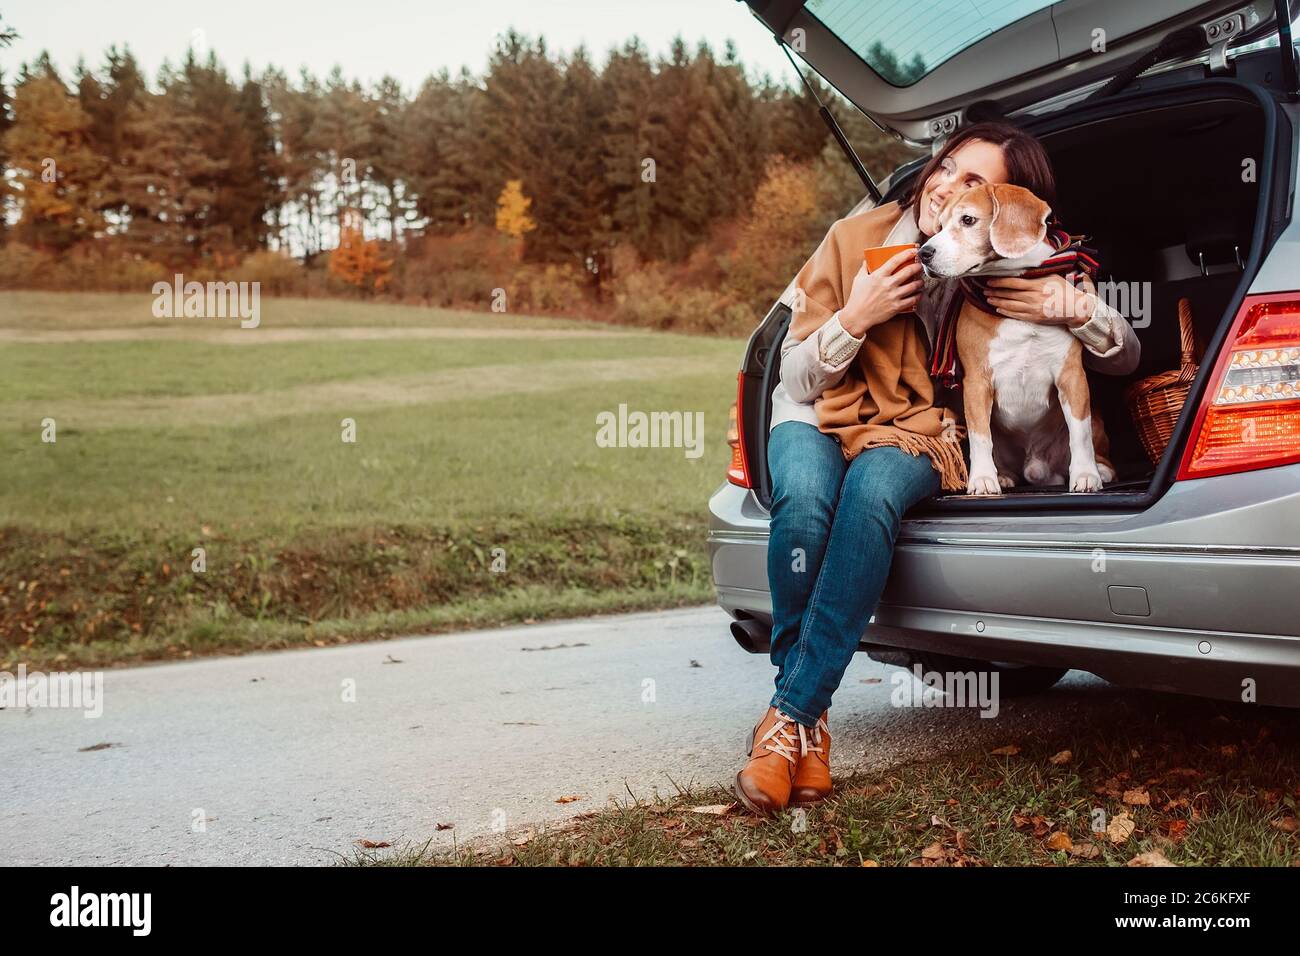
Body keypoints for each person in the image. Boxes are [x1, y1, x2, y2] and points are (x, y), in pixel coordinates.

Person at [734, 122, 1141, 815]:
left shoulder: (1008, 270)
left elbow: (1124, 359)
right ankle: (806, 721)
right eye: (948, 166)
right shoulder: (851, 240)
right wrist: (855, 316)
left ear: (1004, 206)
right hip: (817, 411)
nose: (948, 185)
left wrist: (1076, 308)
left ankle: (788, 721)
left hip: (922, 433)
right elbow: (794, 379)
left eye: (972, 182)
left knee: (871, 498)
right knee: (804, 503)